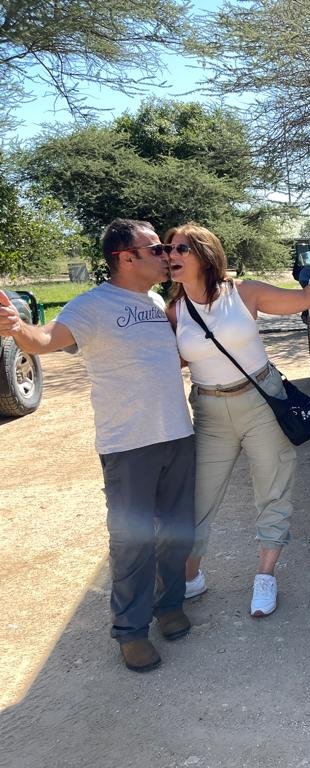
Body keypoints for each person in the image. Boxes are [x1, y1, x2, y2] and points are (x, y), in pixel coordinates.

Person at [0, 219, 195, 672]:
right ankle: (130, 631)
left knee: (177, 531)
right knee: (132, 542)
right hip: (128, 444)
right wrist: (16, 327)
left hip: (177, 435)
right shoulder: (91, 306)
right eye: (156, 249)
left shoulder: (153, 301)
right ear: (125, 257)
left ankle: (168, 607)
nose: (167, 254)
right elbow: (45, 340)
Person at [166, 223, 310, 618]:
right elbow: (172, 360)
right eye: (168, 248)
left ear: (204, 254)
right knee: (198, 497)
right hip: (209, 409)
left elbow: (306, 298)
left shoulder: (245, 293)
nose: (171, 254)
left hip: (260, 399)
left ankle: (265, 576)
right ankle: (190, 575)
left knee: (272, 489)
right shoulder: (174, 310)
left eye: (181, 248)